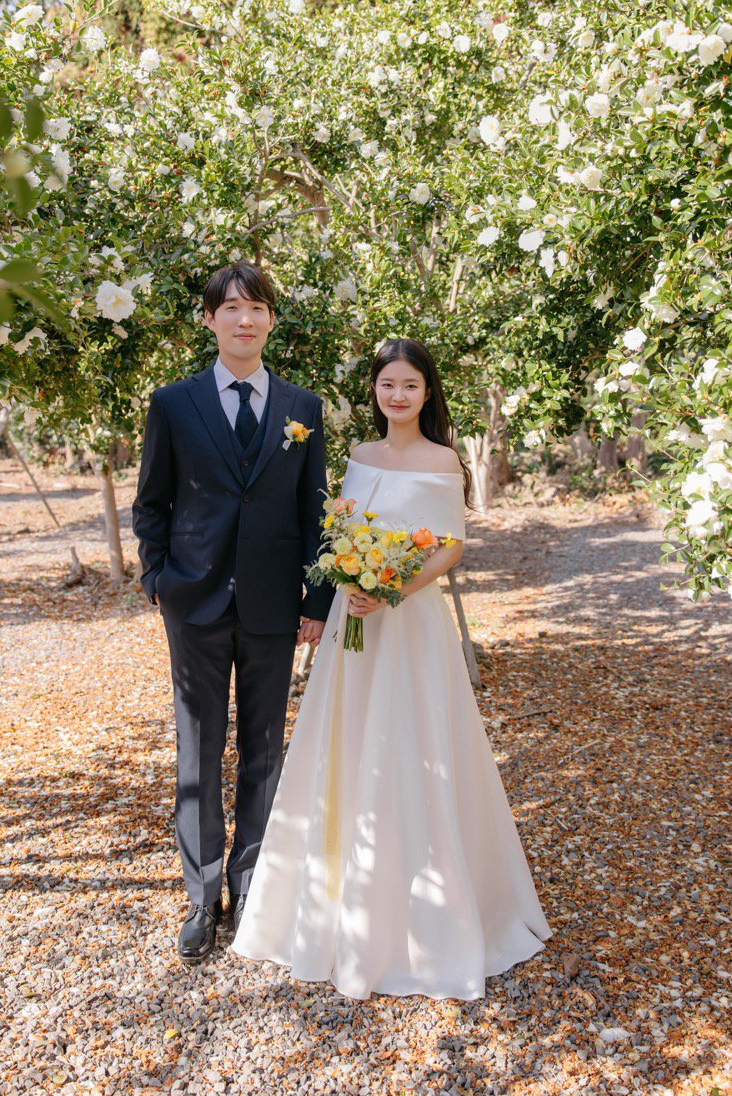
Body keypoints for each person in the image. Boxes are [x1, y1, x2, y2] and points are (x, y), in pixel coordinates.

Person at [231, 338, 553, 1000]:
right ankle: (337, 900)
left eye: (410, 385)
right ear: (374, 392)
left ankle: (429, 912)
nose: (397, 395)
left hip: (409, 623)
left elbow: (451, 547)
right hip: (354, 624)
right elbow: (343, 530)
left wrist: (392, 589)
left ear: (427, 392)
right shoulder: (359, 455)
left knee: (416, 740)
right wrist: (353, 577)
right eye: (387, 385)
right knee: (348, 743)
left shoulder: (441, 459)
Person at [132, 261, 334, 964]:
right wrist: (156, 578)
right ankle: (201, 896)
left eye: (257, 308)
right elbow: (151, 502)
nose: (244, 319)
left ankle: (251, 888)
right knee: (197, 749)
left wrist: (318, 598)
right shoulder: (173, 404)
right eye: (231, 308)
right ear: (210, 319)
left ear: (271, 320)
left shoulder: (304, 407)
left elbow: (314, 510)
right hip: (194, 602)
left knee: (264, 750)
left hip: (276, 604)